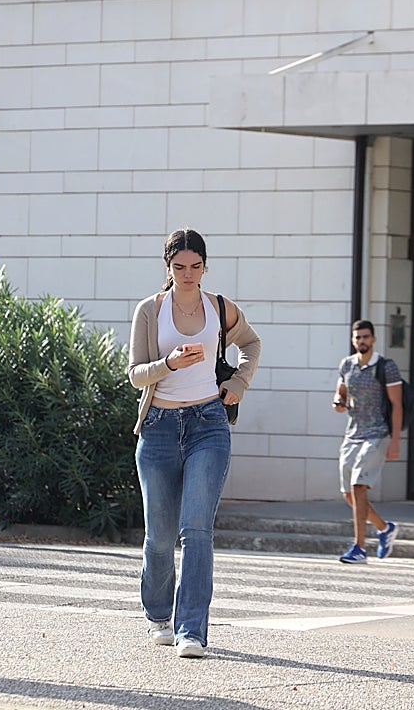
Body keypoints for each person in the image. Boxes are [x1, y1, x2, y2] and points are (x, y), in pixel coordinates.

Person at [128, 228, 261, 659]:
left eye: (196, 266)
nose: (188, 274)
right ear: (168, 267)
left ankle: (192, 630)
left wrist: (239, 382)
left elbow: (251, 344)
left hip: (208, 423)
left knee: (197, 530)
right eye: (179, 267)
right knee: (160, 537)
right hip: (160, 426)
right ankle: (158, 615)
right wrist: (168, 363)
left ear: (205, 266)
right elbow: (134, 374)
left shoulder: (219, 308)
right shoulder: (150, 310)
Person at [332, 319, 402, 563]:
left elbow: (397, 405)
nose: (361, 341)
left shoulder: (386, 366)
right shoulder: (347, 365)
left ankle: (359, 548)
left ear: (373, 339)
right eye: (357, 337)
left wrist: (395, 441)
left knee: (358, 486)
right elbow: (341, 392)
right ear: (353, 340)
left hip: (377, 433)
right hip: (352, 434)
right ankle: (384, 528)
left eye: (365, 337)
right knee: (349, 494)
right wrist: (338, 402)